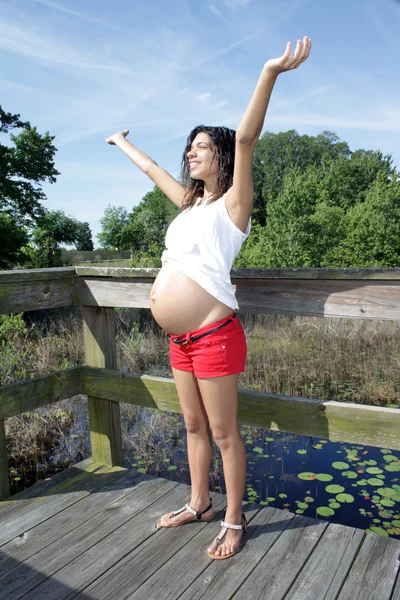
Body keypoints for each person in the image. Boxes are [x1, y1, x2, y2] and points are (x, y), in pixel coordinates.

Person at [106, 36, 312, 559]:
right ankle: (198, 501)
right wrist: (122, 142)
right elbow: (156, 172)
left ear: (220, 155)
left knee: (224, 435)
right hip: (180, 339)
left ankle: (234, 519)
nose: (191, 152)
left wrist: (269, 73)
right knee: (192, 425)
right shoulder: (189, 205)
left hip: (215, 335)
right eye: (189, 147)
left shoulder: (233, 206)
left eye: (201, 146)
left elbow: (246, 139)